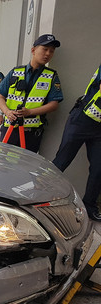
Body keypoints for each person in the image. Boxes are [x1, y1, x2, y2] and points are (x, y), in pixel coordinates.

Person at [0, 34, 63, 152]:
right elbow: (0, 97)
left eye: (51, 51)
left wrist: (30, 112)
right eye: (45, 49)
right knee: (3, 165)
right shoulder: (15, 72)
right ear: (33, 50)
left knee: (25, 168)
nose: (48, 54)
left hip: (31, 133)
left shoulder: (51, 76)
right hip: (9, 129)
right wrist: (6, 112)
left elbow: (54, 104)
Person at [52, 63, 101, 221]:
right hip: (81, 120)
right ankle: (42, 198)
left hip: (99, 128)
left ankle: (90, 206)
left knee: (99, 168)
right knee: (61, 161)